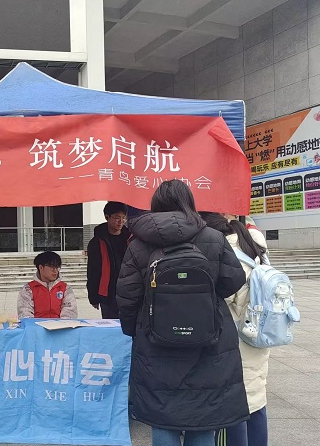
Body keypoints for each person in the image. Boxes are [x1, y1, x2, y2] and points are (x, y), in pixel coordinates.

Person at [115, 179, 249, 446]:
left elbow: (127, 297)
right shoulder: (213, 237)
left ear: (156, 205)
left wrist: (135, 331)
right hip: (209, 341)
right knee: (204, 417)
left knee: (163, 416)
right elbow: (233, 280)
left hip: (156, 343)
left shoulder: (139, 244)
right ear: (189, 202)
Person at [200, 211, 270, 446]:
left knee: (233, 407)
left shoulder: (228, 257)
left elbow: (221, 299)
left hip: (235, 343)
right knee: (256, 401)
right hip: (258, 338)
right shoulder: (254, 249)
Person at [87, 201, 130, 318]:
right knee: (110, 325)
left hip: (128, 293)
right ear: (107, 217)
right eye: (117, 218)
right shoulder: (97, 242)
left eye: (123, 218)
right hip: (108, 294)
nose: (121, 221)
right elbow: (93, 271)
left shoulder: (130, 239)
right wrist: (93, 297)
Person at [17, 251, 78, 319]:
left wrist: (61, 324)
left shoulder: (65, 288)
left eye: (57, 267)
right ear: (41, 267)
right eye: (52, 267)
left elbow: (70, 313)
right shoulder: (28, 289)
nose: (55, 271)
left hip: (60, 325)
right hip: (36, 325)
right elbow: (25, 313)